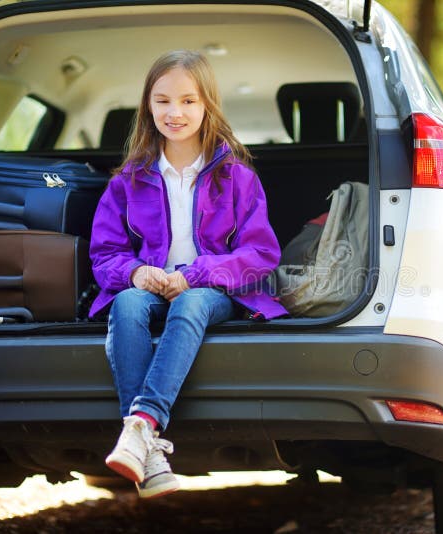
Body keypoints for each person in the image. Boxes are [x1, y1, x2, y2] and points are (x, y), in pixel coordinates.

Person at [88, 49, 287, 499]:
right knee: (126, 304)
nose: (174, 112)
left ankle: (141, 423)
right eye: (162, 101)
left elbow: (260, 253)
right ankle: (149, 451)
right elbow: (105, 255)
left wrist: (196, 274)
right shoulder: (128, 180)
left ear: (207, 105)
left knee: (193, 302)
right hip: (152, 285)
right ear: (148, 107)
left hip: (213, 288)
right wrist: (136, 273)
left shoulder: (237, 176)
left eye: (187, 101)